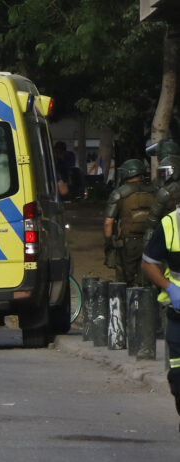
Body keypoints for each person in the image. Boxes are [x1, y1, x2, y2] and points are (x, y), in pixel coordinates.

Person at [142, 208, 180, 432]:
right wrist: (170, 288)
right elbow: (148, 262)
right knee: (178, 378)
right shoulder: (172, 223)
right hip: (179, 318)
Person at [103, 158, 155, 287]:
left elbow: (108, 222)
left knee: (125, 280)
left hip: (128, 243)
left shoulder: (119, 193)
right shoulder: (154, 191)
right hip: (150, 240)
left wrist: (108, 242)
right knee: (147, 278)